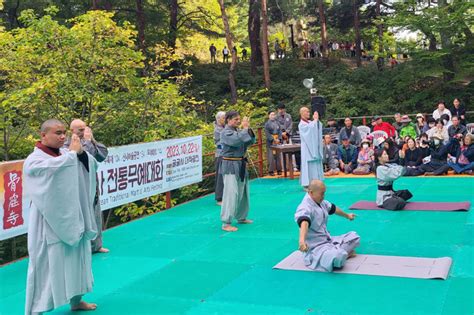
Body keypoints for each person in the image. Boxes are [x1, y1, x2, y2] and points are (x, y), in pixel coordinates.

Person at [24, 119, 98, 315]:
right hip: (47, 223)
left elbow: (87, 166)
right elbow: (55, 170)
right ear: (43, 135)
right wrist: (73, 154)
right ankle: (35, 310)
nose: (63, 137)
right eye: (57, 133)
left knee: (77, 260)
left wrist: (80, 153)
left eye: (64, 132)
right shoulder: (34, 160)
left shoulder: (66, 154)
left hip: (73, 218)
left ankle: (76, 300)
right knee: (45, 266)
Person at [65, 119, 109, 254]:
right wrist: (87, 142)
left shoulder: (90, 141)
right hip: (76, 186)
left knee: (95, 214)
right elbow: (85, 155)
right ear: (72, 131)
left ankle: (97, 245)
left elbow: (102, 155)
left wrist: (90, 141)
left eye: (85, 128)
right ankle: (82, 247)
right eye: (81, 130)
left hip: (91, 186)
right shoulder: (67, 144)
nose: (85, 132)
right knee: (80, 216)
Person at [295, 179, 359, 272]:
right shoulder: (305, 207)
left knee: (354, 237)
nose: (323, 196)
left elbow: (333, 208)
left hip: (327, 240)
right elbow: (304, 222)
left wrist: (347, 215)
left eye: (324, 193)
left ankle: (337, 252)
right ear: (311, 192)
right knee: (338, 257)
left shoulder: (321, 201)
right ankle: (339, 255)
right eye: (322, 194)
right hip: (315, 247)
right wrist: (302, 241)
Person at [220, 111, 256, 232]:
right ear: (228, 120)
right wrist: (244, 130)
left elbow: (250, 141)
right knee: (231, 193)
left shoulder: (237, 132)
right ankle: (226, 222)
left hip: (241, 164)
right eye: (235, 119)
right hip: (230, 165)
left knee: (242, 192)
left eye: (239, 119)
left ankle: (241, 217)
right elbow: (236, 141)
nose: (238, 121)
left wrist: (248, 129)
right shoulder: (225, 133)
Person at [298, 107, 324, 187]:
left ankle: (317, 182)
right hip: (307, 148)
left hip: (313, 148)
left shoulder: (309, 122)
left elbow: (316, 126)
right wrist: (315, 121)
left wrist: (317, 121)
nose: (309, 113)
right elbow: (309, 129)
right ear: (302, 113)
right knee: (308, 166)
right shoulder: (301, 124)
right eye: (307, 112)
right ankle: (307, 184)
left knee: (315, 164)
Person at [264, 111, 282, 176]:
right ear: (269, 116)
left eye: (274, 114)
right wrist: (273, 139)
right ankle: (271, 170)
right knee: (270, 156)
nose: (273, 116)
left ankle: (279, 169)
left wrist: (279, 139)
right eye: (271, 114)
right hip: (270, 141)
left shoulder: (277, 123)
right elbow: (267, 133)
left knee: (278, 155)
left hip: (277, 139)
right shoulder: (267, 124)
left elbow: (280, 131)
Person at [213, 111, 226, 205]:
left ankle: (225, 195)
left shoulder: (224, 128)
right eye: (224, 118)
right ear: (219, 119)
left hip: (226, 154)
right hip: (220, 154)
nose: (225, 120)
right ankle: (219, 197)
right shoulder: (218, 129)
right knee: (220, 176)